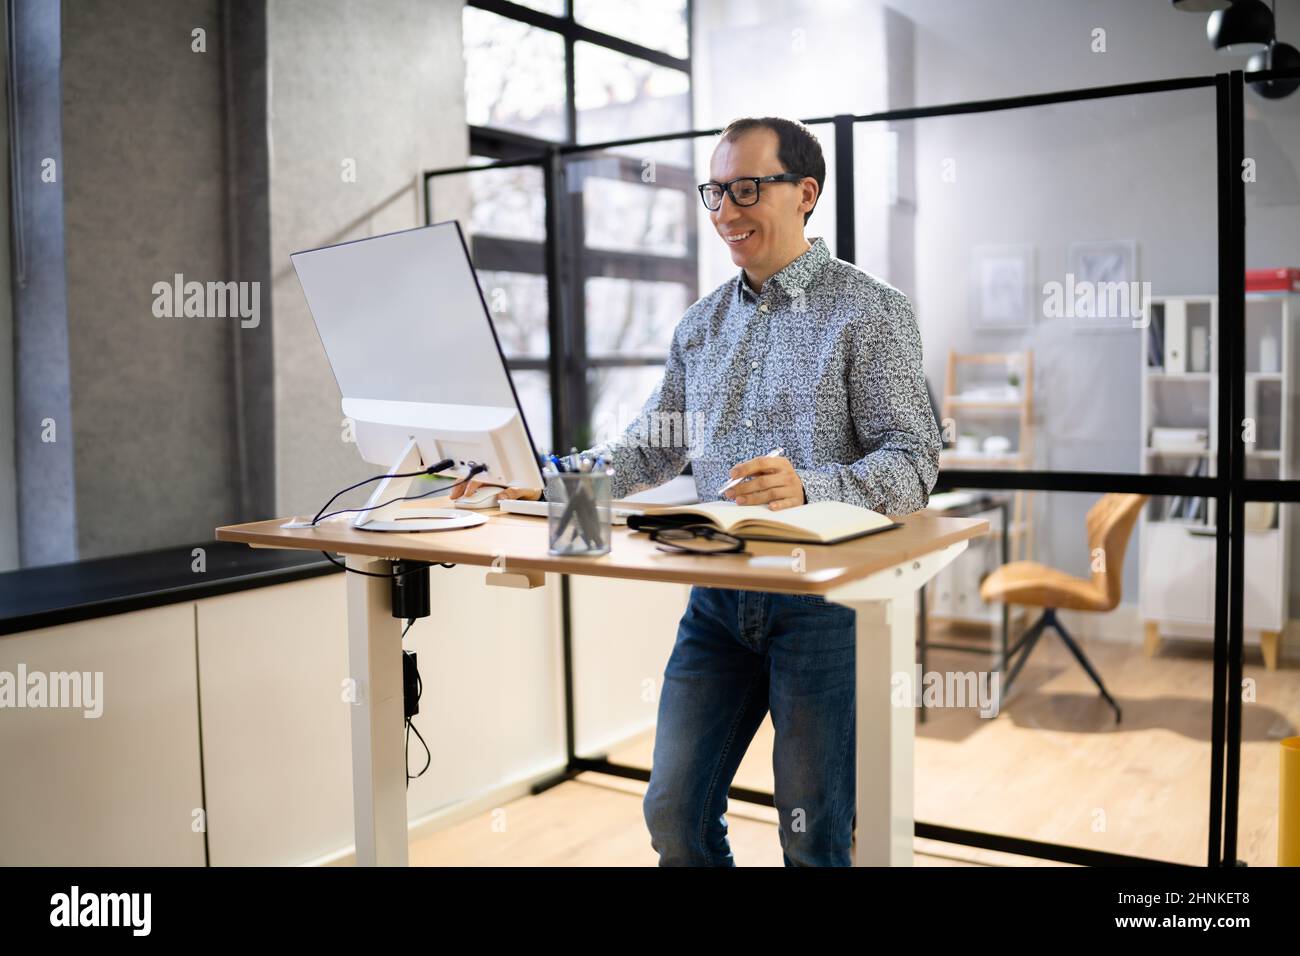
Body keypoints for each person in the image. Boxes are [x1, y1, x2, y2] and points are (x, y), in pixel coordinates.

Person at [452, 116, 940, 866]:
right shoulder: (700, 324)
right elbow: (650, 449)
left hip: (825, 607)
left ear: (805, 193)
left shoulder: (868, 310)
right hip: (716, 598)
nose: (726, 211)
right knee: (674, 815)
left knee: (812, 839)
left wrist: (809, 487)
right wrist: (541, 486)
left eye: (748, 188)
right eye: (715, 192)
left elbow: (913, 463)